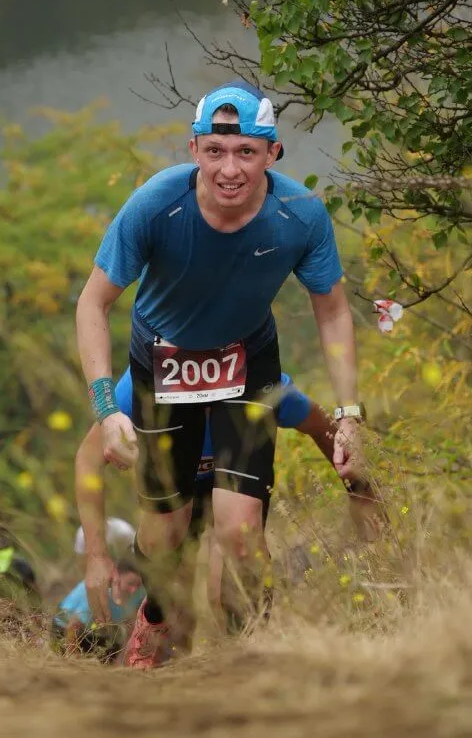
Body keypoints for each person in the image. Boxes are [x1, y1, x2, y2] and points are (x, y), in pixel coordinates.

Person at [75, 79, 370, 669]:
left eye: (246, 153)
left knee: (240, 538)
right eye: (214, 151)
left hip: (247, 362)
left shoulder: (300, 216)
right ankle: (155, 617)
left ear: (273, 154)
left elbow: (333, 310)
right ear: (193, 151)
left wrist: (349, 416)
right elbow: (92, 305)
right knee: (164, 540)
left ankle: (251, 655)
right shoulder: (156, 204)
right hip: (161, 365)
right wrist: (108, 410)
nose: (229, 169)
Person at [76, 366, 377, 639]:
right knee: (176, 599)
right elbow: (87, 459)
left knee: (229, 581)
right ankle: (161, 639)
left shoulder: (263, 382)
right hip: (177, 489)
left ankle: (245, 647)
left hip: (235, 482)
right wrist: (96, 555)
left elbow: (323, 428)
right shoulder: (139, 385)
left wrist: (360, 491)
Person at [52, 557, 144, 662]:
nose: (134, 590)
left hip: (96, 631)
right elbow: (72, 628)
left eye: (138, 585)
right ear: (116, 576)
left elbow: (131, 629)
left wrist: (120, 660)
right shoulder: (96, 592)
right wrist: (74, 662)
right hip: (64, 631)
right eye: (130, 583)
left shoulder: (138, 594)